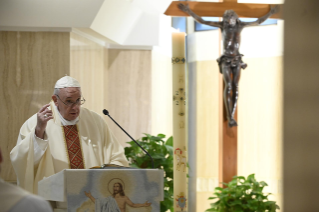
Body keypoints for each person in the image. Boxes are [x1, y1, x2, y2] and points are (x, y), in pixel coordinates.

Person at [10, 76, 129, 194]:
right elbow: (22, 161)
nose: (76, 107)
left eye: (78, 100)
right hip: (54, 197)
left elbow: (115, 155)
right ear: (55, 99)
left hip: (93, 195)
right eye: (69, 101)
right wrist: (39, 132)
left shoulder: (95, 121)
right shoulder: (36, 123)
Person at [178, 3, 278, 127]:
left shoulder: (240, 25)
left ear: (235, 18)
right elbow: (202, 21)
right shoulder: (222, 26)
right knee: (229, 85)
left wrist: (271, 13)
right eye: (227, 17)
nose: (229, 19)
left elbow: (258, 21)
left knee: (236, 86)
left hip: (237, 59)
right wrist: (188, 11)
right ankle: (229, 116)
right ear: (225, 18)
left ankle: (232, 115)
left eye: (231, 17)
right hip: (226, 60)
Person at [84, 182, 151, 212]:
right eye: (114, 186)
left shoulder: (124, 198)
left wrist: (144, 204)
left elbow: (133, 205)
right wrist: (90, 196)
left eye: (117, 186)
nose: (115, 188)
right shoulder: (110, 198)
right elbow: (98, 203)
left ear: (120, 188)